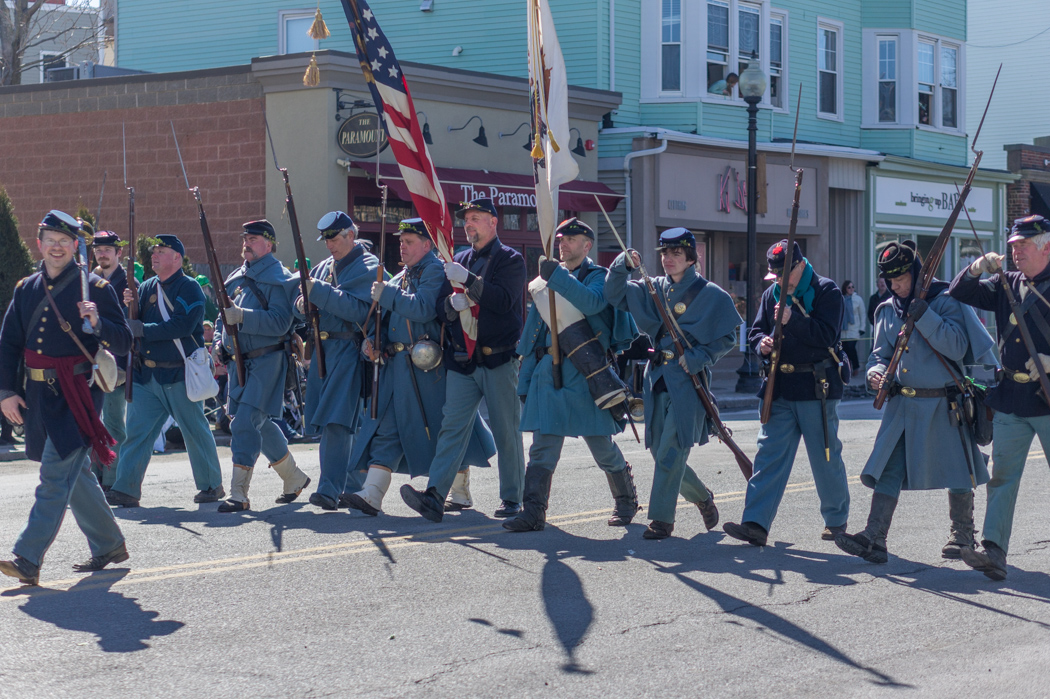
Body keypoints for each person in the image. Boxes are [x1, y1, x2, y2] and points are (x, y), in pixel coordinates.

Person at [836, 240, 996, 564]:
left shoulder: (946, 300)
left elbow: (956, 346)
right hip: (902, 406)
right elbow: (878, 356)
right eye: (890, 282)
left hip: (944, 403)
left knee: (959, 470)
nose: (895, 287)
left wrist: (925, 318)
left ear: (915, 272)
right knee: (888, 469)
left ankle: (963, 536)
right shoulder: (886, 310)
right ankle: (874, 537)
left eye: (900, 280)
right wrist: (875, 375)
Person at [0, 210, 131, 585]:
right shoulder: (26, 289)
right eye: (50, 242)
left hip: (80, 395)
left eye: (64, 243)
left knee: (54, 476)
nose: (56, 248)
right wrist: (7, 391)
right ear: (39, 245)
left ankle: (27, 557)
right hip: (40, 395)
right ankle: (109, 544)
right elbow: (9, 344)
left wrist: (98, 324)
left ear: (75, 247)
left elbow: (124, 341)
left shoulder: (96, 289)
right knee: (77, 475)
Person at [344, 218, 496, 515]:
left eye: (409, 241)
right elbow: (384, 321)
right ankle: (372, 494)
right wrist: (370, 343)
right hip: (396, 369)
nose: (402, 245)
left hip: (430, 370)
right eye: (401, 241)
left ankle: (461, 491)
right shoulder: (399, 277)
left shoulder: (435, 272)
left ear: (427, 245)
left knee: (444, 430)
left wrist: (386, 293)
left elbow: (424, 307)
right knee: (387, 429)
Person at [503, 218, 641, 532]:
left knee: (601, 447)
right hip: (547, 374)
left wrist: (557, 277)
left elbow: (592, 304)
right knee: (542, 448)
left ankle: (626, 502)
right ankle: (533, 512)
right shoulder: (547, 281)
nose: (563, 244)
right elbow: (533, 336)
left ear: (587, 245)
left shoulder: (598, 278)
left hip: (586, 373)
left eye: (571, 239)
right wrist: (525, 381)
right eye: (561, 239)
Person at [605, 228, 739, 539]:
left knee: (670, 453)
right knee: (660, 452)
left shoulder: (711, 294)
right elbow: (614, 294)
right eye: (665, 253)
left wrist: (699, 357)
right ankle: (703, 497)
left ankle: (662, 520)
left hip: (688, 383)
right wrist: (621, 265)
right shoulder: (653, 289)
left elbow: (728, 337)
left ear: (692, 257)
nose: (668, 259)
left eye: (677, 253)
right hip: (657, 380)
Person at [400, 197, 527, 522]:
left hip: (498, 358)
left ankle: (512, 497)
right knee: (451, 429)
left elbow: (503, 301)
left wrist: (468, 281)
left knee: (505, 431)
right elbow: (441, 307)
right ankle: (435, 496)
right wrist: (452, 308)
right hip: (463, 358)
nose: (469, 224)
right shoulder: (458, 258)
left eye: (476, 218)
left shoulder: (510, 260)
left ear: (493, 222)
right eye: (466, 219)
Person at [722, 240, 851, 547]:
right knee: (768, 457)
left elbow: (826, 336)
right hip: (779, 386)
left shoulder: (827, 291)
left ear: (799, 266)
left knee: (825, 457)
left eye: (783, 274)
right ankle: (755, 523)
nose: (779, 281)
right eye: (774, 275)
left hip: (816, 387)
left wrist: (793, 321)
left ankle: (836, 521)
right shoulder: (771, 295)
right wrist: (761, 344)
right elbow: (755, 331)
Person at [949, 215, 1050, 580]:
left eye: (1023, 245)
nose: (1015, 251)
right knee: (1001, 478)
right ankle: (994, 549)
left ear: (1046, 246)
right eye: (1012, 246)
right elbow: (959, 292)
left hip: (1047, 397)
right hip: (1011, 397)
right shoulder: (1005, 283)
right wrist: (976, 267)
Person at [104, 235, 225, 507]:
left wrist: (142, 329)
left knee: (194, 431)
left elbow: (181, 326)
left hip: (180, 375)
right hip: (148, 375)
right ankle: (126, 488)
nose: (154, 255)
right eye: (154, 251)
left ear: (177, 258)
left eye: (161, 251)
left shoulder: (189, 287)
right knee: (137, 433)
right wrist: (129, 309)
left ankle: (210, 485)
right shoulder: (146, 287)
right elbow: (131, 326)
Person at [213, 219, 310, 513]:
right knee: (258, 423)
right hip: (239, 362)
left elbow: (281, 321)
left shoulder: (281, 278)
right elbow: (221, 317)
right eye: (245, 238)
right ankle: (294, 477)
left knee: (245, 423)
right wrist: (219, 343)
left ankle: (238, 493)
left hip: (268, 360)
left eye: (253, 239)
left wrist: (242, 316)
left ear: (269, 245)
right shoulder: (235, 278)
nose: (247, 243)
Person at [290, 211, 376, 510]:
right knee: (338, 422)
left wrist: (320, 293)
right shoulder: (327, 266)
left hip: (350, 350)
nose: (330, 246)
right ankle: (353, 487)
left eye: (335, 239)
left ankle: (329, 489)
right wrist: (303, 304)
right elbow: (304, 299)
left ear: (351, 235)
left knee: (337, 422)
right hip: (324, 351)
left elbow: (359, 310)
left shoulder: (368, 266)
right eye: (326, 240)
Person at [88, 229, 130, 491]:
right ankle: (93, 480)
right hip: (89, 361)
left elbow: (128, 328)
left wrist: (129, 304)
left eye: (107, 249)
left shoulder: (130, 285)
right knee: (92, 422)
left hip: (116, 364)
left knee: (114, 425)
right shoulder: (87, 282)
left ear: (119, 253)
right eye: (98, 250)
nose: (102, 254)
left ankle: (113, 481)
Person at [840, 279, 865, 375]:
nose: (851, 289)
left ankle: (856, 367)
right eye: (849, 287)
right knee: (844, 350)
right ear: (845, 288)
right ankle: (846, 369)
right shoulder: (841, 298)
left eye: (852, 287)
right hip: (843, 331)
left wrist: (862, 328)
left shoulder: (858, 299)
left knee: (851, 348)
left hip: (854, 329)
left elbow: (862, 314)